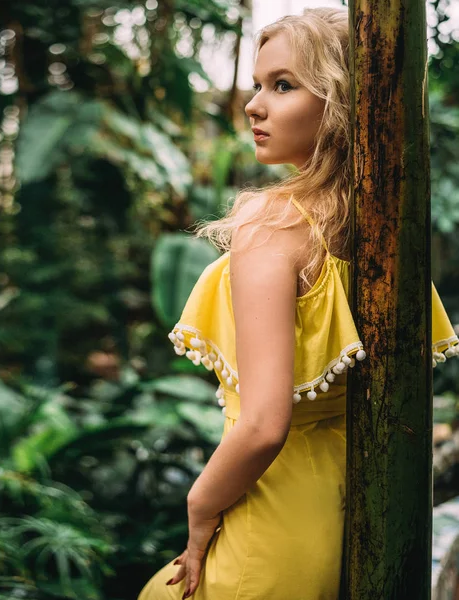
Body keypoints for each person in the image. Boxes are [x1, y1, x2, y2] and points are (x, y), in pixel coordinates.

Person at [138, 7, 459, 600]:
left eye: (283, 85)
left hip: (270, 522)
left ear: (338, 101)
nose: (254, 105)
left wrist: (200, 504)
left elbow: (263, 424)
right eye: (259, 85)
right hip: (355, 509)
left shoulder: (272, 224)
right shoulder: (382, 225)